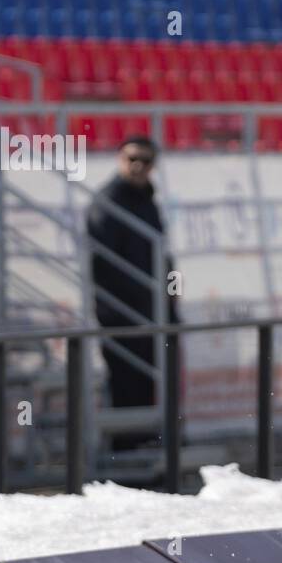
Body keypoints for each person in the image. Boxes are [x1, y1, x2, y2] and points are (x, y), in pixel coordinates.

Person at [86, 136, 179, 449]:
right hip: (122, 312)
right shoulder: (108, 202)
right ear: (119, 159)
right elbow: (102, 263)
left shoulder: (145, 199)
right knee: (126, 381)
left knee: (147, 380)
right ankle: (124, 452)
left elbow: (161, 255)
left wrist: (169, 297)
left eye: (145, 161)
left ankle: (144, 446)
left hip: (149, 309)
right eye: (132, 159)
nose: (138, 166)